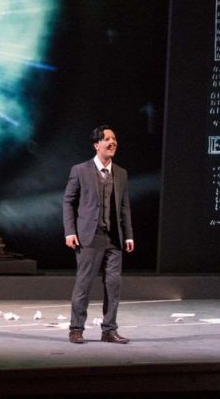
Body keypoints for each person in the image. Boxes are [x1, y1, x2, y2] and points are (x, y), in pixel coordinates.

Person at [63, 125, 134, 344]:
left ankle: (109, 330)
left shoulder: (120, 173)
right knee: (84, 283)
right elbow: (68, 202)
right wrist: (70, 232)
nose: (113, 142)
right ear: (97, 145)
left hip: (114, 238)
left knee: (113, 285)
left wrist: (129, 235)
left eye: (114, 139)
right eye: (108, 139)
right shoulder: (80, 170)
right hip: (89, 236)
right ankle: (76, 329)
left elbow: (124, 207)